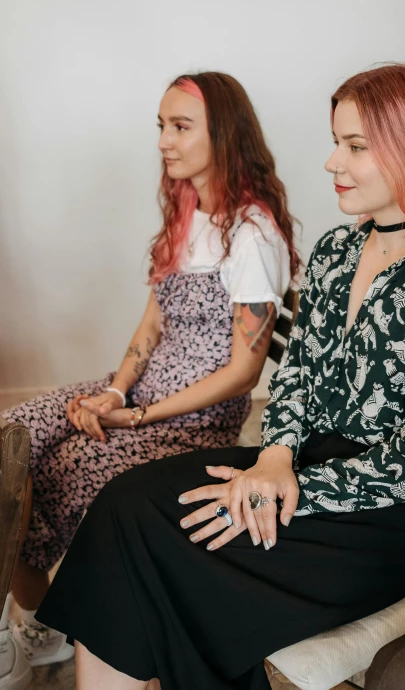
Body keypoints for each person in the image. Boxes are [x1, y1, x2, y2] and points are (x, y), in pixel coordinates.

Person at [36, 63, 405, 690]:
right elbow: (293, 379)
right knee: (124, 505)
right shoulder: (338, 253)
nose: (330, 162)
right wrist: (275, 458)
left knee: (168, 546)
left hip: (377, 520)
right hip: (293, 468)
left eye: (355, 146)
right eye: (336, 141)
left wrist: (288, 492)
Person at [0, 72, 297, 684]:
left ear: (225, 134)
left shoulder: (253, 234)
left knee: (63, 470)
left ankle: (42, 629)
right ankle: (32, 622)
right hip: (141, 392)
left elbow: (243, 375)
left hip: (196, 421)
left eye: (181, 126)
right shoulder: (187, 213)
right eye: (161, 125)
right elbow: (151, 325)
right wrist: (114, 392)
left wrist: (135, 417)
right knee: (14, 435)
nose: (164, 140)